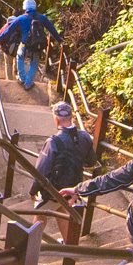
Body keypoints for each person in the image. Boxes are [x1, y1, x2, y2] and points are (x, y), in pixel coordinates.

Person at [31, 102, 97, 241]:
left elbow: (41, 171)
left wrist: (33, 191)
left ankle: (27, 249)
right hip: (73, 188)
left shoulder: (53, 142)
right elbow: (91, 161)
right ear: (72, 117)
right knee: (62, 210)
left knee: (40, 214)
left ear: (56, 119)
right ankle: (72, 253)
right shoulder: (85, 137)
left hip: (53, 189)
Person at [0, 0, 62, 90]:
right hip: (36, 45)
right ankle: (28, 82)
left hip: (24, 44)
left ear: (25, 8)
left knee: (20, 57)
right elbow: (52, 30)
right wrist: (60, 40)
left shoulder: (21, 18)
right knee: (34, 63)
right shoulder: (42, 18)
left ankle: (22, 78)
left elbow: (8, 31)